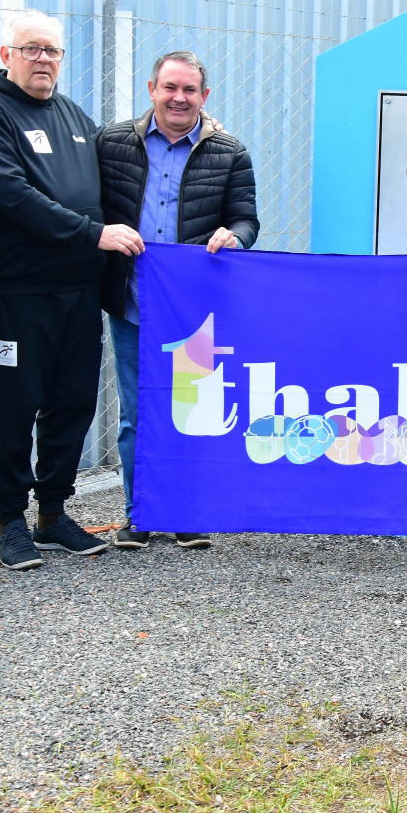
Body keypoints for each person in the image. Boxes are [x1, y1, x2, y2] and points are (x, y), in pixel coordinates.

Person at [0, 10, 145, 571]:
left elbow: (117, 173)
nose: (43, 59)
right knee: (17, 405)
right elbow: (12, 195)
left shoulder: (71, 114)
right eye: (31, 48)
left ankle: (53, 513)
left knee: (73, 403)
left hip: (80, 290)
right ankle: (10, 521)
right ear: (6, 54)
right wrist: (92, 234)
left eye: (52, 51)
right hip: (22, 291)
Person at [99, 50, 259, 550]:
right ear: (152, 90)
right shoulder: (111, 143)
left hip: (195, 312)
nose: (178, 98)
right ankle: (141, 512)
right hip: (132, 304)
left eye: (189, 89)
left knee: (191, 411)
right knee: (137, 415)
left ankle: (187, 511)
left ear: (204, 96)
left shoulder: (230, 152)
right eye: (169, 87)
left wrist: (235, 237)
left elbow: (246, 219)